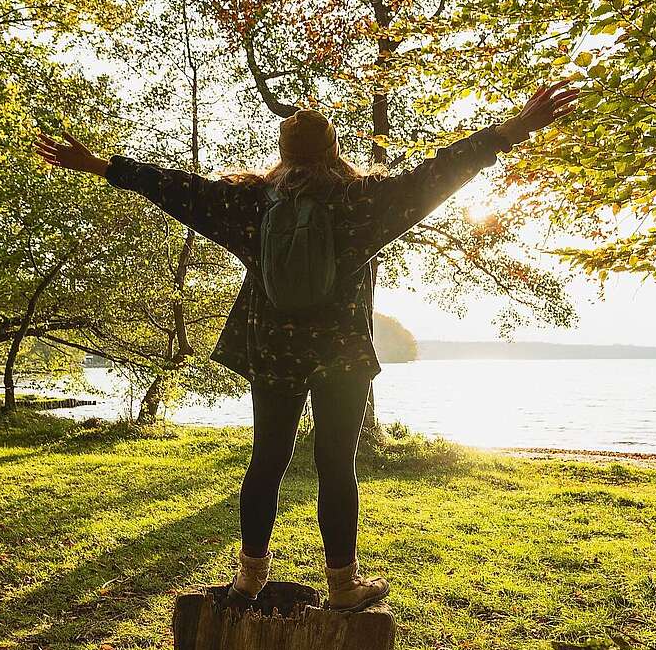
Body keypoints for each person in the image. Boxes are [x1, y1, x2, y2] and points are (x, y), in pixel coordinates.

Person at [35, 81, 580, 611]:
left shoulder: (248, 203)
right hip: (340, 354)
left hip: (272, 351)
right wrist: (514, 128)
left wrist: (106, 165)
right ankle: (343, 584)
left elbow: (178, 188)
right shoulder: (364, 201)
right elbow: (442, 171)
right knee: (336, 465)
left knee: (266, 460)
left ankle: (248, 580)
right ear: (334, 150)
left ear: (282, 152)